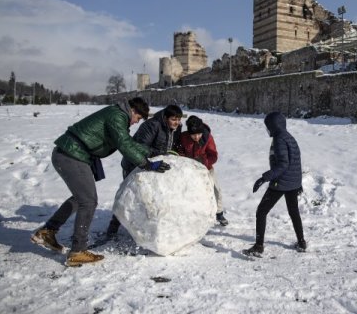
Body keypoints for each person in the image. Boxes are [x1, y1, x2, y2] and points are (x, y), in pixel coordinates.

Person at [30, 97, 171, 267]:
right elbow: (124, 144)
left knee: (80, 198)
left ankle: (48, 231)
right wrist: (146, 164)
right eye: (138, 118)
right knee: (88, 201)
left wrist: (150, 151)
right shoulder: (117, 116)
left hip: (71, 154)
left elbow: (129, 142)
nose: (136, 122)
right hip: (71, 155)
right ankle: (77, 251)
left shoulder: (117, 116)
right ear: (133, 111)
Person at [106, 104, 183, 237]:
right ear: (165, 118)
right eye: (173, 119)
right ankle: (113, 228)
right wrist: (161, 153)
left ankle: (147, 229)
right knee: (128, 196)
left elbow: (174, 146)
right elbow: (140, 147)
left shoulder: (177, 128)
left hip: (155, 166)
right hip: (135, 164)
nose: (177, 123)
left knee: (152, 198)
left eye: (179, 119)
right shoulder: (152, 125)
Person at [243, 112, 306, 257]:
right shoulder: (290, 137)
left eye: (268, 126)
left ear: (273, 125)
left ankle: (259, 246)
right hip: (292, 182)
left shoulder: (279, 139)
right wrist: (298, 183)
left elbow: (283, 164)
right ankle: (301, 242)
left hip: (281, 181)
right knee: (294, 212)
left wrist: (264, 178)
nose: (267, 129)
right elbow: (297, 162)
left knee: (261, 211)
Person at [177, 115, 228, 226]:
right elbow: (180, 151)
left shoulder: (207, 138)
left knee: (216, 189)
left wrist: (204, 162)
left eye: (198, 134)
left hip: (206, 168)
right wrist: (185, 161)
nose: (196, 137)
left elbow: (213, 155)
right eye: (193, 135)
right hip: (189, 169)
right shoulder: (184, 137)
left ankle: (219, 213)